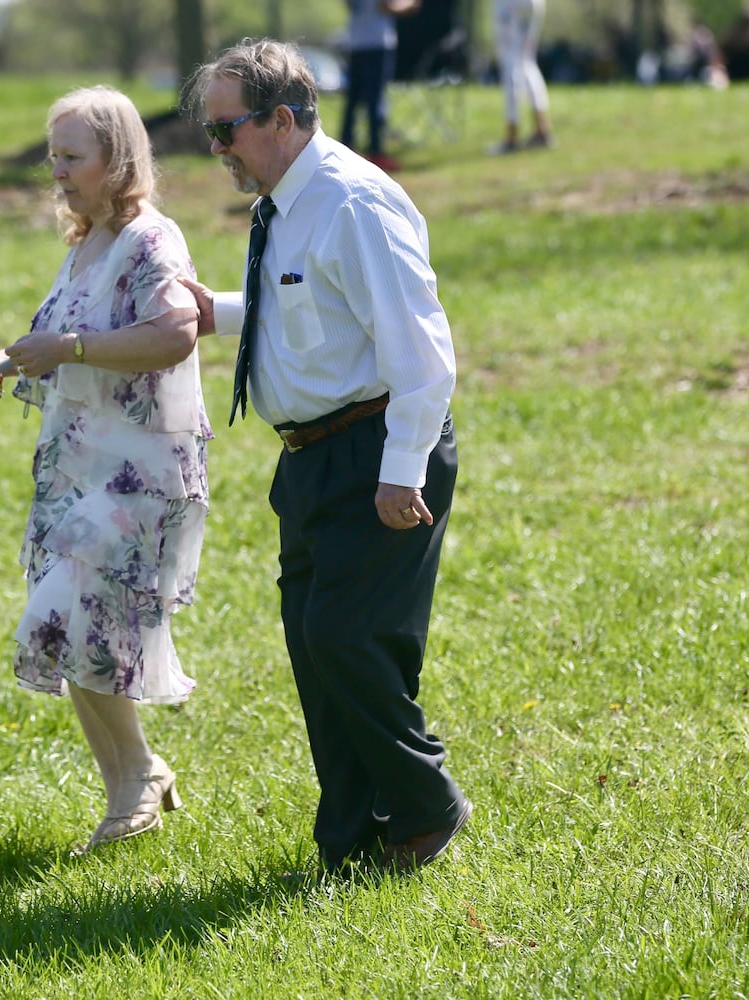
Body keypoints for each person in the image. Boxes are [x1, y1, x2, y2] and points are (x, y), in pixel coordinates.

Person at [180, 38, 471, 876]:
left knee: (349, 639)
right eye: (210, 132)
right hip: (309, 459)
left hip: (377, 448)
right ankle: (350, 836)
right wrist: (221, 313)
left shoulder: (351, 202)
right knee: (315, 646)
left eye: (227, 129)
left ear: (281, 118)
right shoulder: (283, 200)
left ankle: (425, 807)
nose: (217, 148)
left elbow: (422, 350)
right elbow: (310, 305)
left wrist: (403, 470)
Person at [0, 86, 209, 855]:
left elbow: (175, 334)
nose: (58, 171)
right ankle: (134, 780)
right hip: (79, 467)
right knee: (72, 633)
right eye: (54, 155)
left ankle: (138, 776)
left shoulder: (153, 240)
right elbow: (52, 344)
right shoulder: (85, 244)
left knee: (66, 619)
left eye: (72, 157)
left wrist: (70, 350)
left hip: (138, 473)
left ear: (118, 161)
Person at [341, 0, 416, 171]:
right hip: (376, 43)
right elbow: (385, 6)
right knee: (375, 100)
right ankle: (376, 152)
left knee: (353, 100)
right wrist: (410, 5)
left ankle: (346, 146)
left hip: (356, 43)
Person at [491, 0, 553, 152]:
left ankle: (512, 137)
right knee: (527, 63)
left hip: (509, 5)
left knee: (511, 66)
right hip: (533, 4)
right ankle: (541, 131)